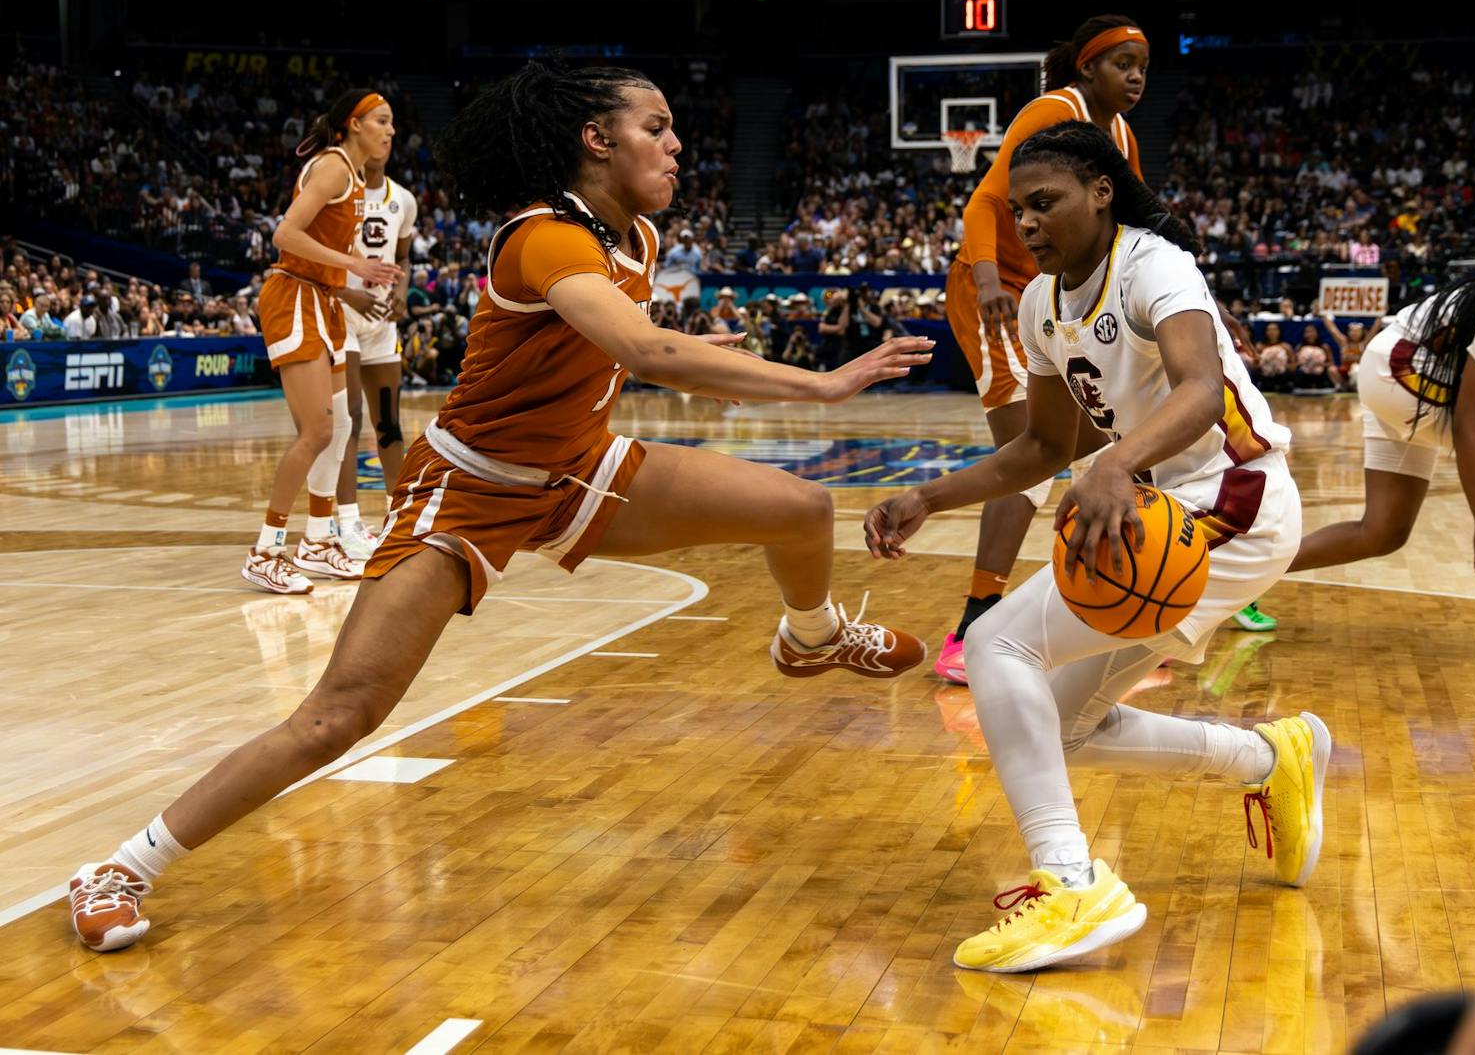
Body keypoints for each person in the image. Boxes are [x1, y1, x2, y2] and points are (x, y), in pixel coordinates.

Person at [66, 62, 932, 953]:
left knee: (799, 507)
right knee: (340, 715)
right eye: (657, 127)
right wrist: (821, 385)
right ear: (596, 140)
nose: (678, 146)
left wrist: (668, 352)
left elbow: (601, 346)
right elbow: (640, 342)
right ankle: (122, 866)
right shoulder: (543, 236)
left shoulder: (631, 234)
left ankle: (813, 636)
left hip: (578, 469)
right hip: (470, 490)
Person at [864, 122, 1327, 973]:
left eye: (1047, 203)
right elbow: (1043, 447)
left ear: (1101, 192)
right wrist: (927, 495)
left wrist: (1116, 458)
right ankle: (1271, 754)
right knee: (1067, 725)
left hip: (1233, 499)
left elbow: (1198, 385)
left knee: (1001, 641)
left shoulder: (1154, 263)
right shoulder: (1042, 303)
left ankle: (1070, 881)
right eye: (1019, 210)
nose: (1030, 223)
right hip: (1171, 513)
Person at [936, 15, 1186, 686]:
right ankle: (973, 623)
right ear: (1087, 69)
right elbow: (985, 202)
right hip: (995, 288)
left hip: (1060, 289)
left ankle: (1128, 605)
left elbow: (1137, 219)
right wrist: (989, 279)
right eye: (1122, 63)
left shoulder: (1122, 136)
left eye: (1143, 63)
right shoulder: (1055, 110)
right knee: (1030, 456)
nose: (1135, 75)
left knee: (1125, 427)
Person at [239, 89, 401, 595]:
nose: (390, 131)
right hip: (293, 297)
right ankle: (265, 550)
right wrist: (354, 265)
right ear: (353, 124)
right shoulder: (332, 166)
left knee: (343, 424)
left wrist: (350, 287)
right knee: (315, 430)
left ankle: (317, 541)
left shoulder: (352, 176)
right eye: (381, 120)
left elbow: (325, 253)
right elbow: (285, 235)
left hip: (324, 298)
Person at [1290, 276, 1475, 579]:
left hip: (1399, 366)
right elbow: (1467, 428)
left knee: (1382, 532)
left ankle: (1241, 580)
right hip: (1402, 368)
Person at [334, 142, 419, 561]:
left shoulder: (403, 199)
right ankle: (346, 521)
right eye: (378, 128)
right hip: (342, 315)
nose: (385, 139)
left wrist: (401, 294)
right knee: (348, 418)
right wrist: (349, 294)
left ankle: (397, 515)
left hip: (382, 320)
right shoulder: (337, 193)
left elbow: (403, 257)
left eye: (391, 131)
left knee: (389, 422)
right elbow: (317, 260)